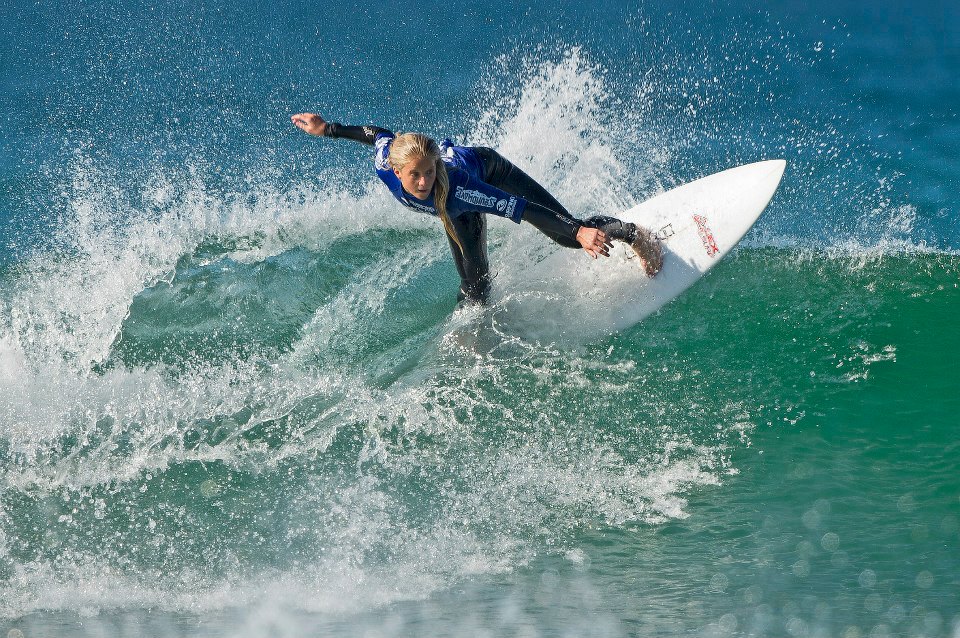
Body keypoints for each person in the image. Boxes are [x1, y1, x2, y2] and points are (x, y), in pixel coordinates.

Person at [291, 112, 662, 304]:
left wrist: (579, 232)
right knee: (475, 284)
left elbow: (519, 207)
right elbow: (376, 135)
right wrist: (329, 129)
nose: (424, 182)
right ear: (397, 170)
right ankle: (471, 325)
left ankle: (633, 234)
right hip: (451, 211)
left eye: (430, 172)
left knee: (567, 234)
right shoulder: (384, 162)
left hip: (487, 171)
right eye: (415, 175)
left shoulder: (458, 191)